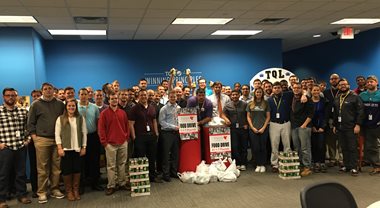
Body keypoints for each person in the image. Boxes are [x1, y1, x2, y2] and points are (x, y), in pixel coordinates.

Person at [27, 82, 65, 204]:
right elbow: (30, 123)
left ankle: (55, 189)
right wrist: (34, 138)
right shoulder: (35, 104)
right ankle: (42, 192)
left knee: (56, 167)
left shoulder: (60, 104)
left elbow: (64, 120)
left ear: (54, 90)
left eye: (50, 89)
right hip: (42, 140)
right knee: (42, 168)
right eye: (45, 89)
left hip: (57, 140)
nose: (48, 91)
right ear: (42, 91)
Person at [0, 88, 32, 208]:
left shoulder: (23, 111)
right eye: (8, 95)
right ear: (4, 97)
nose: (11, 98)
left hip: (20, 147)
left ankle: (22, 195)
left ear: (16, 97)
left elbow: (28, 128)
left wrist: (27, 140)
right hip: (5, 148)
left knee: (21, 173)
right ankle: (1, 199)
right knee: (3, 174)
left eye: (13, 95)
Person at [55, 99, 87, 201]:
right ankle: (69, 191)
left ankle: (76, 190)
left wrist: (84, 147)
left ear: (76, 107)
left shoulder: (80, 118)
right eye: (69, 106)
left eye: (73, 106)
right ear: (66, 107)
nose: (71, 107)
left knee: (77, 170)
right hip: (66, 149)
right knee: (67, 171)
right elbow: (57, 134)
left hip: (77, 149)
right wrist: (59, 148)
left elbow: (84, 133)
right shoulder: (60, 119)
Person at [98, 92, 130, 195]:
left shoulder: (122, 113)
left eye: (116, 98)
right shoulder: (104, 113)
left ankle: (122, 183)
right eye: (112, 99)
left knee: (122, 164)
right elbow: (101, 129)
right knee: (111, 166)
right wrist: (105, 143)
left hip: (122, 143)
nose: (114, 100)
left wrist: (126, 138)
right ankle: (111, 185)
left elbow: (127, 126)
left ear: (118, 99)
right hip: (110, 144)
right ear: (109, 100)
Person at [333, 78, 365, 176]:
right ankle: (346, 165)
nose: (343, 86)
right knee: (344, 147)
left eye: (344, 84)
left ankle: (354, 167)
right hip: (340, 127)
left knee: (352, 147)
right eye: (341, 85)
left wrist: (358, 124)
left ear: (348, 85)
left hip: (351, 126)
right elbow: (335, 113)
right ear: (338, 86)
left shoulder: (355, 97)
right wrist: (335, 125)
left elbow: (361, 112)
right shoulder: (338, 97)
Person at [129, 90, 162, 183]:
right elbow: (131, 124)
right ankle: (141, 177)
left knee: (152, 157)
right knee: (140, 157)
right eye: (141, 95)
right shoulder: (134, 109)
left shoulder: (152, 107)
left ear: (147, 96)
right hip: (140, 137)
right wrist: (134, 137)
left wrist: (156, 133)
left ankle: (152, 176)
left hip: (151, 136)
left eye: (145, 95)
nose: (143, 96)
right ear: (138, 96)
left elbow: (154, 121)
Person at [77, 88, 103, 192]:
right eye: (82, 94)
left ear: (89, 95)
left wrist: (99, 136)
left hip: (92, 137)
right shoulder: (75, 107)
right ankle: (81, 185)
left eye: (85, 94)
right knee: (81, 162)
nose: (83, 96)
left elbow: (98, 122)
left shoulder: (95, 107)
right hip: (80, 137)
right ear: (79, 95)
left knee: (94, 161)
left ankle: (95, 183)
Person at [290, 83, 314, 177]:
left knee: (305, 148)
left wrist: (304, 125)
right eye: (294, 88)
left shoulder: (307, 99)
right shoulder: (291, 97)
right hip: (294, 126)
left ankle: (307, 167)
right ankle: (300, 165)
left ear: (301, 89)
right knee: (297, 148)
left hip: (304, 126)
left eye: (298, 88)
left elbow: (311, 114)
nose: (296, 89)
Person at [359, 75, 380, 175]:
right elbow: (359, 110)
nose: (369, 83)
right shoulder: (362, 95)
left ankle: (376, 165)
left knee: (373, 146)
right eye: (368, 82)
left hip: (378, 124)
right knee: (370, 146)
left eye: (371, 81)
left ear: (376, 83)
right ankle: (373, 163)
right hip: (367, 125)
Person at [223, 90, 248, 171]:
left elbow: (248, 115)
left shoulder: (244, 104)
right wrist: (226, 119)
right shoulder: (227, 105)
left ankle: (243, 163)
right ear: (231, 96)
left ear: (239, 95)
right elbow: (223, 114)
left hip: (243, 128)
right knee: (235, 147)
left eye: (236, 94)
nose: (234, 96)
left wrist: (246, 123)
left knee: (243, 146)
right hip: (233, 128)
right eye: (233, 95)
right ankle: (237, 163)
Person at [158, 91, 181, 182]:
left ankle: (174, 172)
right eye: (171, 97)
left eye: (174, 97)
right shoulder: (164, 109)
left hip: (176, 134)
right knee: (166, 155)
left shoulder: (179, 108)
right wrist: (174, 127)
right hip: (167, 134)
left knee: (175, 154)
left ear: (176, 97)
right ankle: (166, 174)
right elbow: (161, 122)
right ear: (168, 97)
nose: (173, 98)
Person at [246, 88, 270, 173]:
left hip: (264, 128)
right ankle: (257, 164)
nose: (258, 93)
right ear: (254, 93)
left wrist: (264, 127)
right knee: (255, 147)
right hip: (253, 129)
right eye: (257, 92)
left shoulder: (266, 103)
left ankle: (263, 164)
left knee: (262, 147)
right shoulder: (250, 104)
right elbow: (248, 116)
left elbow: (268, 117)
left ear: (262, 93)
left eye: (260, 92)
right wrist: (252, 127)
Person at [323, 73, 342, 167]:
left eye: (336, 78)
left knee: (341, 140)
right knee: (331, 140)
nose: (334, 80)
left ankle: (341, 159)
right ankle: (332, 159)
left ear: (339, 79)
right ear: (330, 81)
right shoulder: (326, 92)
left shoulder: (343, 91)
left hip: (341, 119)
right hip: (330, 119)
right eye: (332, 79)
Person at [310, 85, 328, 173]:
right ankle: (316, 162)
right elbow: (308, 115)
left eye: (317, 90)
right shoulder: (308, 102)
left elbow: (326, 115)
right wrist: (312, 126)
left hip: (322, 127)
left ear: (320, 91)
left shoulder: (324, 101)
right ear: (311, 91)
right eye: (314, 90)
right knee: (314, 145)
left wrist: (322, 126)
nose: (316, 92)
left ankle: (322, 162)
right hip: (312, 127)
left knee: (321, 145)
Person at [28, 89, 42, 198]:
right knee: (34, 166)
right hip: (33, 141)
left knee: (44, 166)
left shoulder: (44, 107)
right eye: (34, 96)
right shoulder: (30, 109)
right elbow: (28, 125)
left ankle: (44, 188)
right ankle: (34, 189)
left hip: (44, 140)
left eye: (38, 95)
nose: (36, 97)